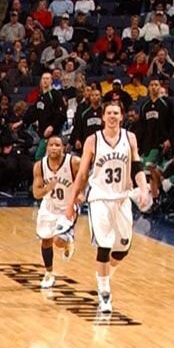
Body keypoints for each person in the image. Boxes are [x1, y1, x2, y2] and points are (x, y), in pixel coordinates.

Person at [65, 98, 141, 316]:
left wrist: (143, 188)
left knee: (123, 248)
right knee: (104, 246)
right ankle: (105, 294)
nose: (113, 116)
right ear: (103, 116)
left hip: (122, 198)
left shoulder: (130, 138)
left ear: (122, 116)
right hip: (99, 198)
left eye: (116, 113)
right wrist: (71, 202)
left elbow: (137, 166)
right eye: (109, 113)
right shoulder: (93, 140)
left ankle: (105, 276)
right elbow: (82, 174)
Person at [31, 134, 78, 289]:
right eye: (51, 145)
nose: (54, 148)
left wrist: (81, 194)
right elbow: (36, 194)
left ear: (63, 148)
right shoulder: (40, 166)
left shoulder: (73, 162)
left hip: (67, 207)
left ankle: (68, 241)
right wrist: (48, 188)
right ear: (47, 147)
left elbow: (84, 178)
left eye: (57, 145)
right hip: (49, 206)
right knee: (46, 240)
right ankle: (49, 273)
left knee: (58, 240)